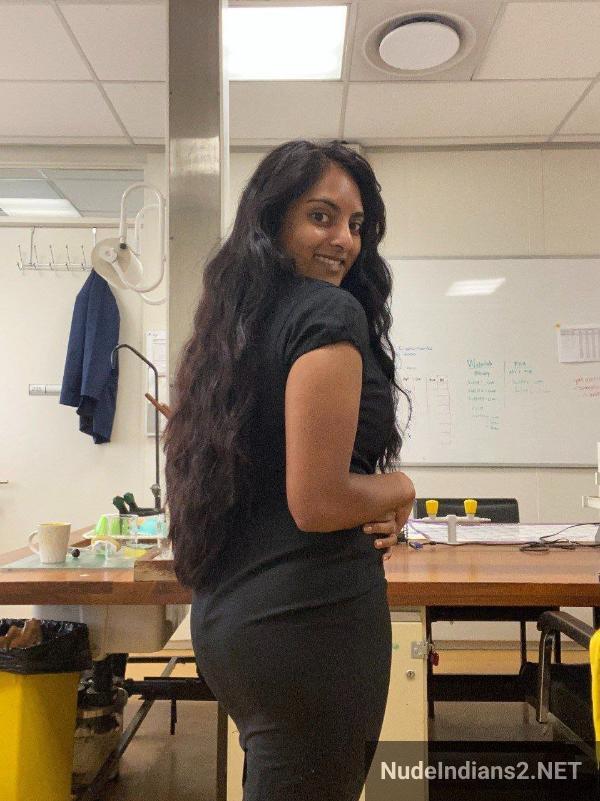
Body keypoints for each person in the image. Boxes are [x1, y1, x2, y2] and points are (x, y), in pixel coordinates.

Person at [165, 139, 415, 801]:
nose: (344, 240)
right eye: (321, 216)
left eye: (356, 224)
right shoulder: (328, 314)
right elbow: (318, 500)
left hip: (234, 619)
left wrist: (371, 499)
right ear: (274, 220)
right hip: (308, 626)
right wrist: (399, 486)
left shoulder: (236, 327)